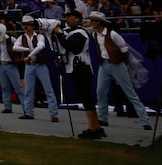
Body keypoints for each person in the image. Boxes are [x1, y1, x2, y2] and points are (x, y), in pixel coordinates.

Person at [85, 11, 152, 131]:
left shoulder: (112, 34)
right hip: (104, 65)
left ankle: (145, 120)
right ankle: (103, 118)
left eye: (93, 21)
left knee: (130, 93)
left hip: (117, 65)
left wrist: (123, 64)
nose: (91, 22)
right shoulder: (95, 34)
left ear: (99, 22)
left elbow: (124, 50)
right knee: (100, 92)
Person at [57, 9, 102, 139]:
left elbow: (73, 47)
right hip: (77, 67)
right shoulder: (73, 32)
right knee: (86, 98)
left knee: (86, 98)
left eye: (69, 17)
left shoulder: (80, 33)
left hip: (81, 68)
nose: (67, 19)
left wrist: (59, 35)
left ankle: (92, 128)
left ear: (77, 19)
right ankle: (97, 126)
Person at [11, 15, 58, 122]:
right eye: (24, 25)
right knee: (28, 90)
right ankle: (28, 112)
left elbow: (41, 47)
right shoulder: (22, 37)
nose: (26, 27)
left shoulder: (40, 36)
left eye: (28, 25)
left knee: (48, 90)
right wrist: (28, 49)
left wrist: (29, 55)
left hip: (39, 64)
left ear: (33, 26)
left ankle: (54, 114)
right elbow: (15, 47)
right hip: (30, 65)